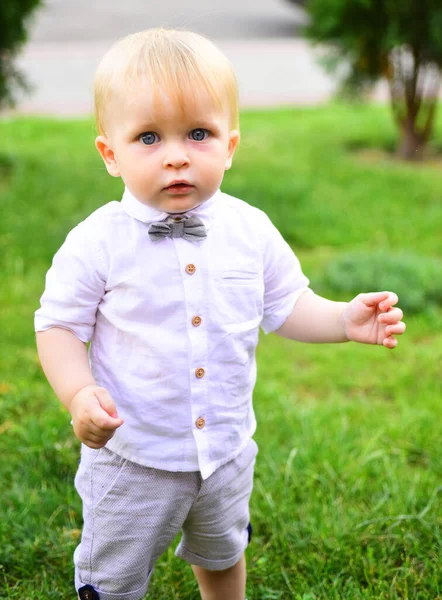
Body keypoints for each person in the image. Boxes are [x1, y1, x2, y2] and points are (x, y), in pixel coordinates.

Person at [34, 28, 406, 600]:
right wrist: (78, 393)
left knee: (224, 552)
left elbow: (285, 306)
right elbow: (58, 326)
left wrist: (342, 320)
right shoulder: (97, 243)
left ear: (230, 146)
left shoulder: (250, 230)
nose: (177, 154)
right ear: (111, 154)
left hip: (227, 451)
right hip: (133, 460)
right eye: (149, 137)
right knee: (114, 578)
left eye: (198, 134)